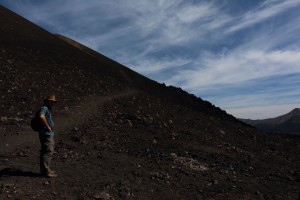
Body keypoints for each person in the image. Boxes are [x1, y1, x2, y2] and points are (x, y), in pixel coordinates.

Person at [39, 95, 58, 178]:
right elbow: (41, 116)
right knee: (48, 151)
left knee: (46, 151)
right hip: (46, 134)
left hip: (47, 133)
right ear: (48, 101)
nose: (53, 104)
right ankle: (45, 172)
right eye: (52, 102)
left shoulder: (47, 109)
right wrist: (48, 126)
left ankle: (46, 170)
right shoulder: (45, 108)